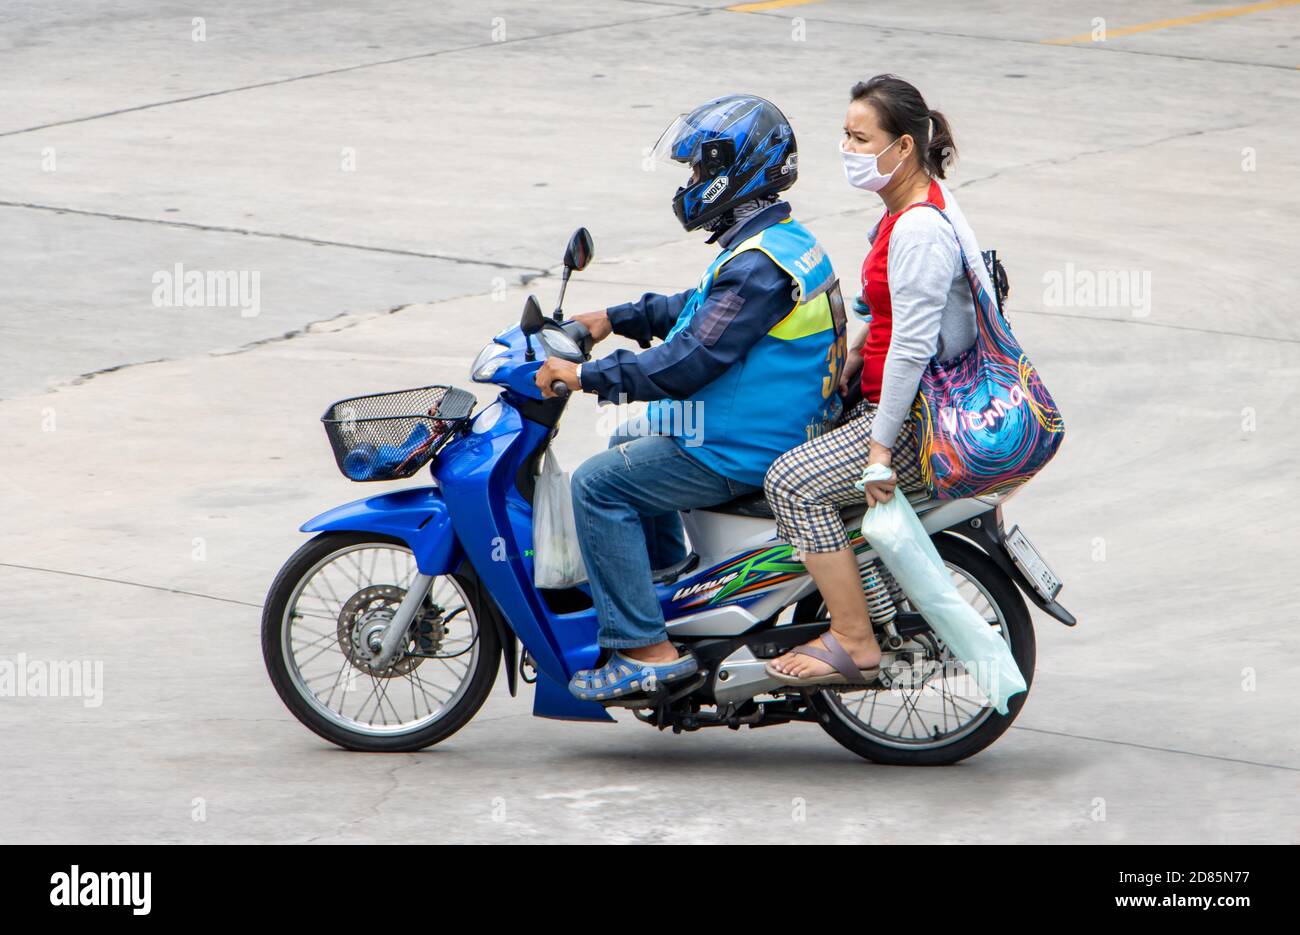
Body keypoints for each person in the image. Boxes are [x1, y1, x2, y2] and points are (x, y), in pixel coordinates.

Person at [533, 94, 847, 702]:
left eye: (701, 172)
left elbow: (687, 362)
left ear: (737, 170)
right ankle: (665, 585)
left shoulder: (757, 266)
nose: (693, 184)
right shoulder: (777, 241)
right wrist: (613, 317)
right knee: (630, 438)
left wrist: (584, 378)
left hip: (746, 449)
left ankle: (645, 651)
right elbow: (701, 309)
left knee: (599, 484)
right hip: (780, 425)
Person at [763, 74, 996, 686]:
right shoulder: (909, 210)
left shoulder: (918, 231)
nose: (848, 150)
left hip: (919, 423)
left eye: (860, 138)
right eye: (844, 135)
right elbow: (883, 312)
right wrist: (846, 365)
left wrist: (879, 451)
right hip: (906, 404)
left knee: (790, 483)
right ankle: (869, 608)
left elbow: (914, 347)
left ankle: (855, 637)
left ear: (903, 149)